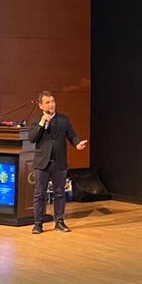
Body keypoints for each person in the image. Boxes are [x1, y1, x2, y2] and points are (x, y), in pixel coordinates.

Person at [28, 90, 87, 234]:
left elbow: (72, 135)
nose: (51, 105)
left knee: (59, 193)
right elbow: (32, 138)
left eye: (53, 101)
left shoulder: (63, 119)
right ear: (41, 105)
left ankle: (59, 222)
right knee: (39, 194)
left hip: (59, 162)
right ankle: (38, 224)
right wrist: (42, 122)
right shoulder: (36, 120)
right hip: (42, 162)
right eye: (47, 102)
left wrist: (77, 144)